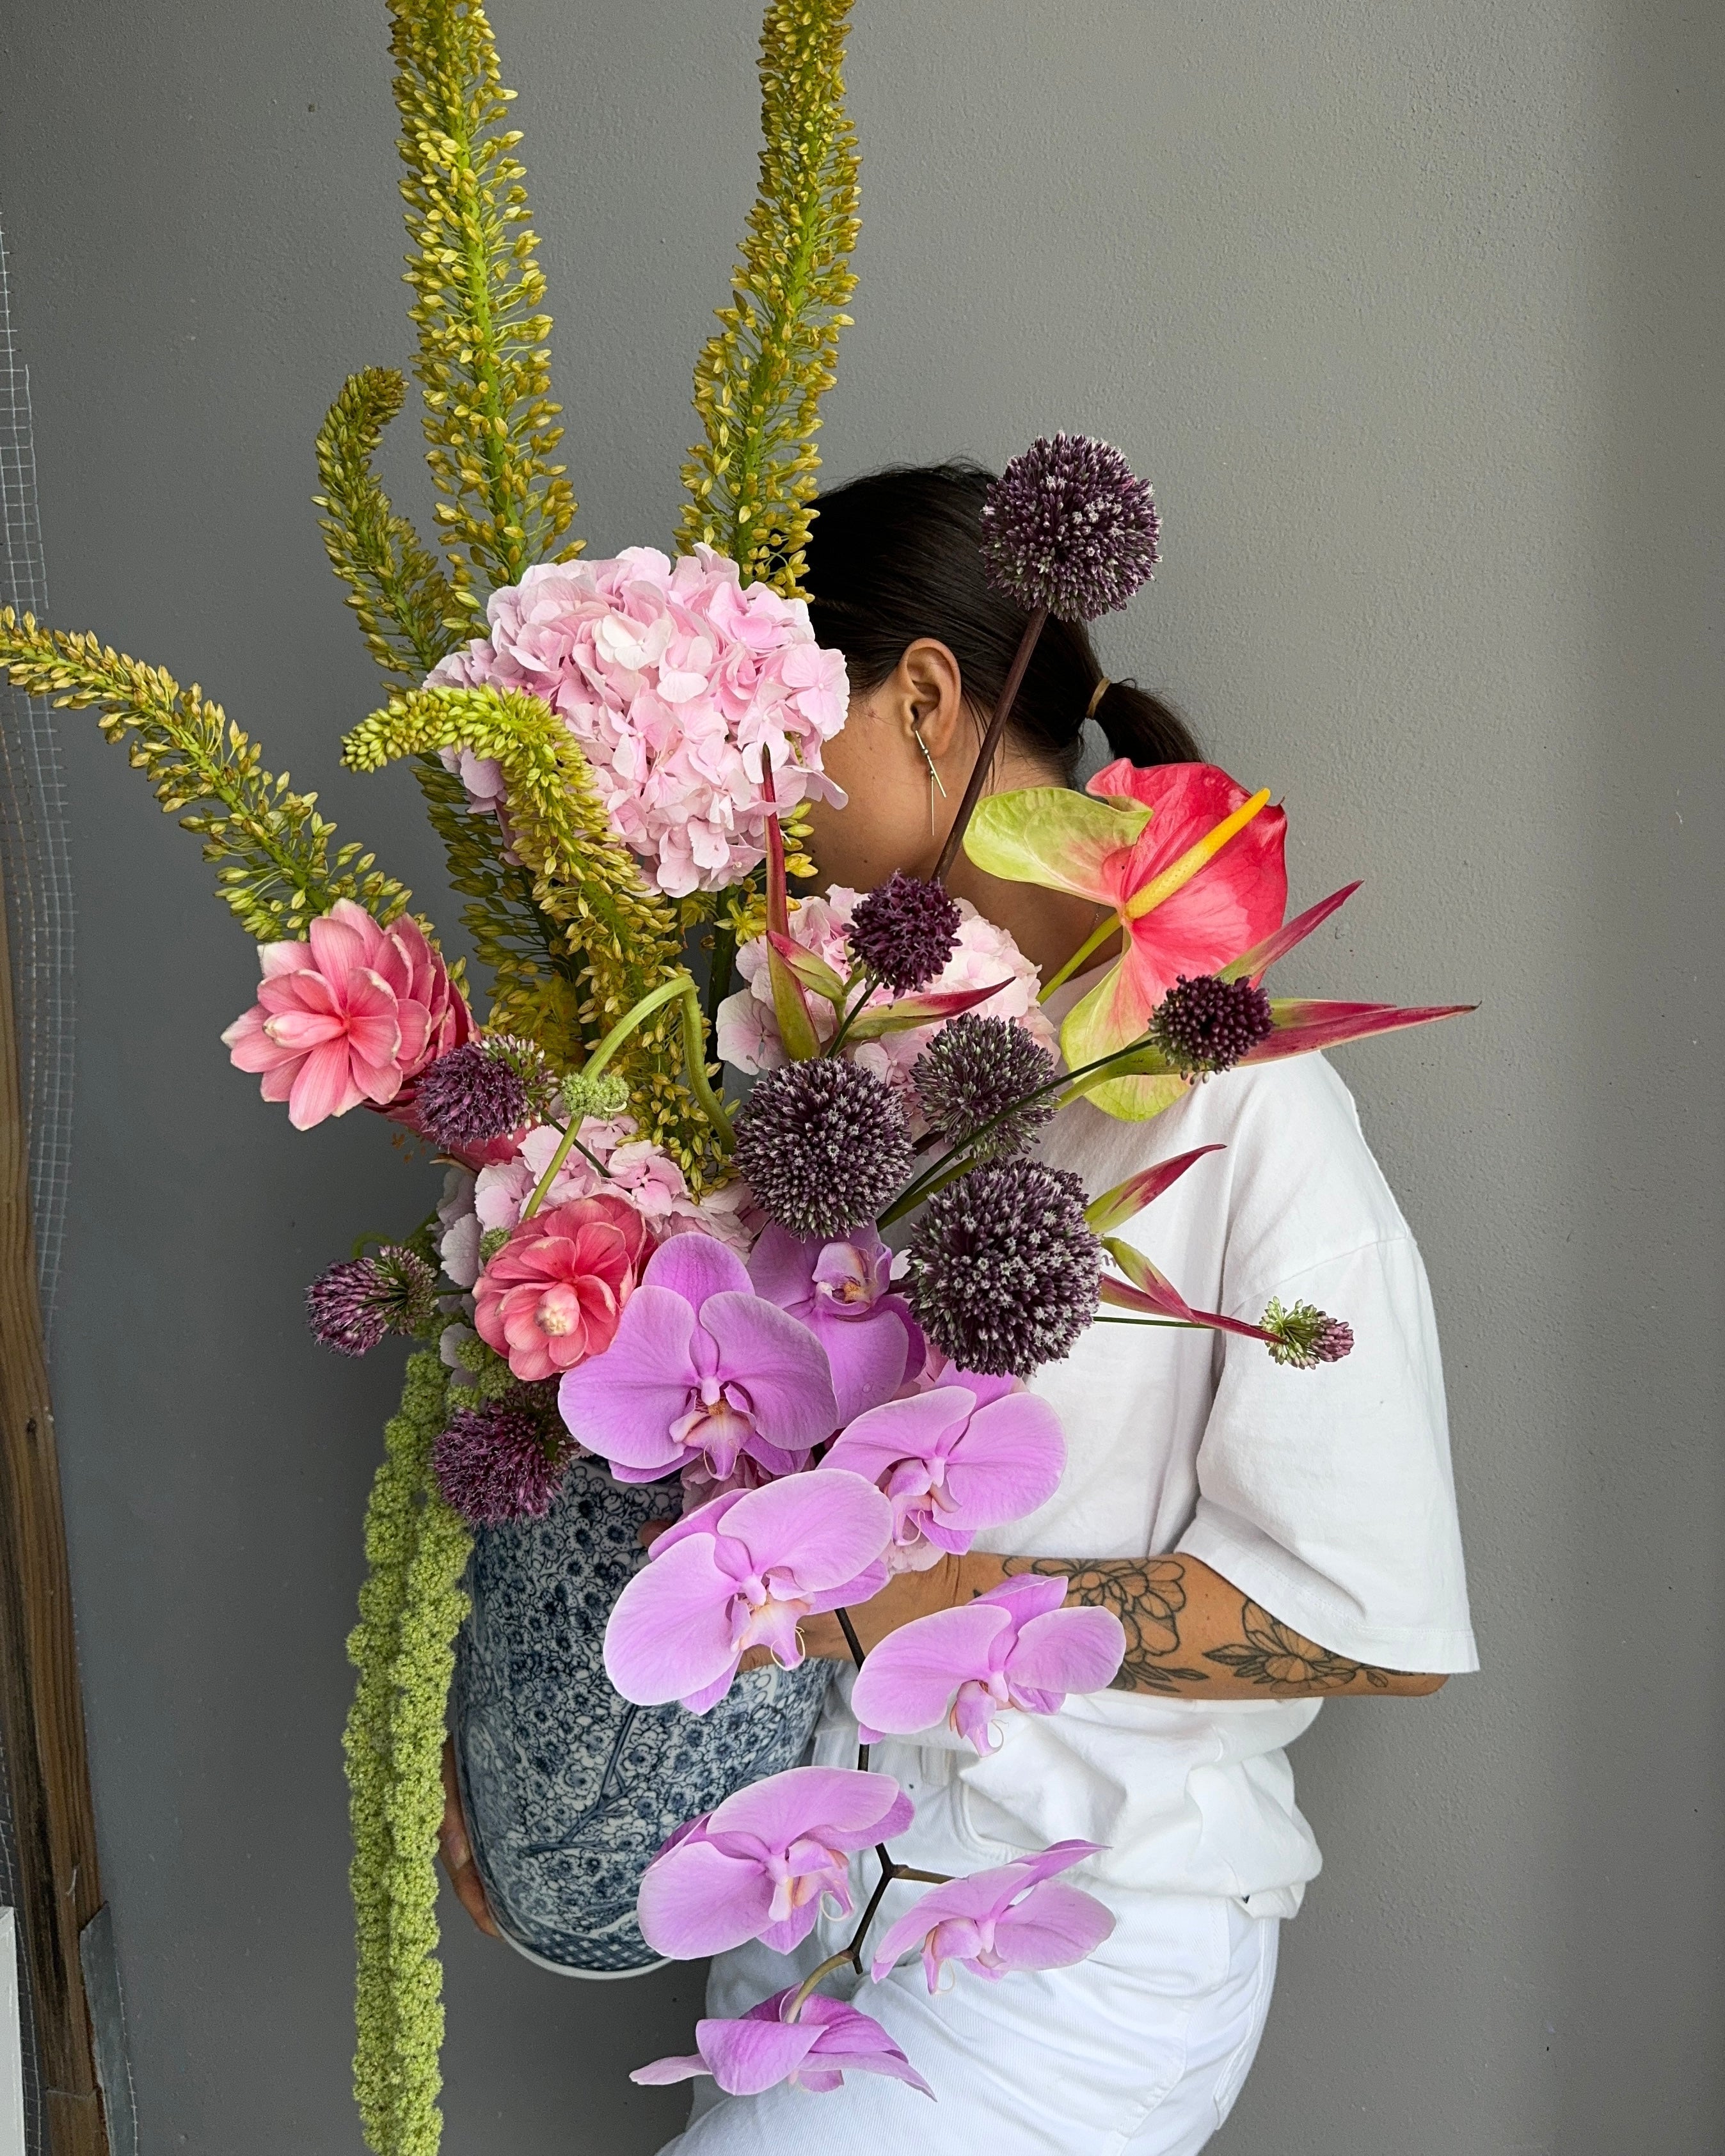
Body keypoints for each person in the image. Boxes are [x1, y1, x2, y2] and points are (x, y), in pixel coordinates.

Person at [440, 461, 1477, 2153]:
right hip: (807, 1913)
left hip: (1067, 1956)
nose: (758, 815)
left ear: (923, 702)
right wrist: (531, 1740)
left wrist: (956, 1602)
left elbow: (1375, 1621)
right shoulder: (856, 1069)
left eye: (787, 741)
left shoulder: (1236, 1107)